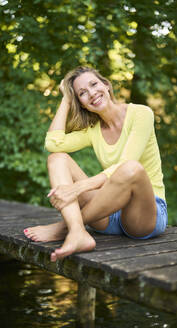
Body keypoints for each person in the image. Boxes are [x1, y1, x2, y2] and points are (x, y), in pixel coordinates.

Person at [24, 66, 168, 263]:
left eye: (94, 84)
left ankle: (64, 228)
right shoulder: (93, 130)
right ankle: (77, 232)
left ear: (107, 85)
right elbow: (53, 144)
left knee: (131, 168)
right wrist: (66, 98)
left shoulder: (141, 114)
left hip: (144, 215)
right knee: (57, 158)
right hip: (107, 212)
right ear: (81, 103)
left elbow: (126, 164)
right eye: (82, 93)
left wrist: (78, 188)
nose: (91, 93)